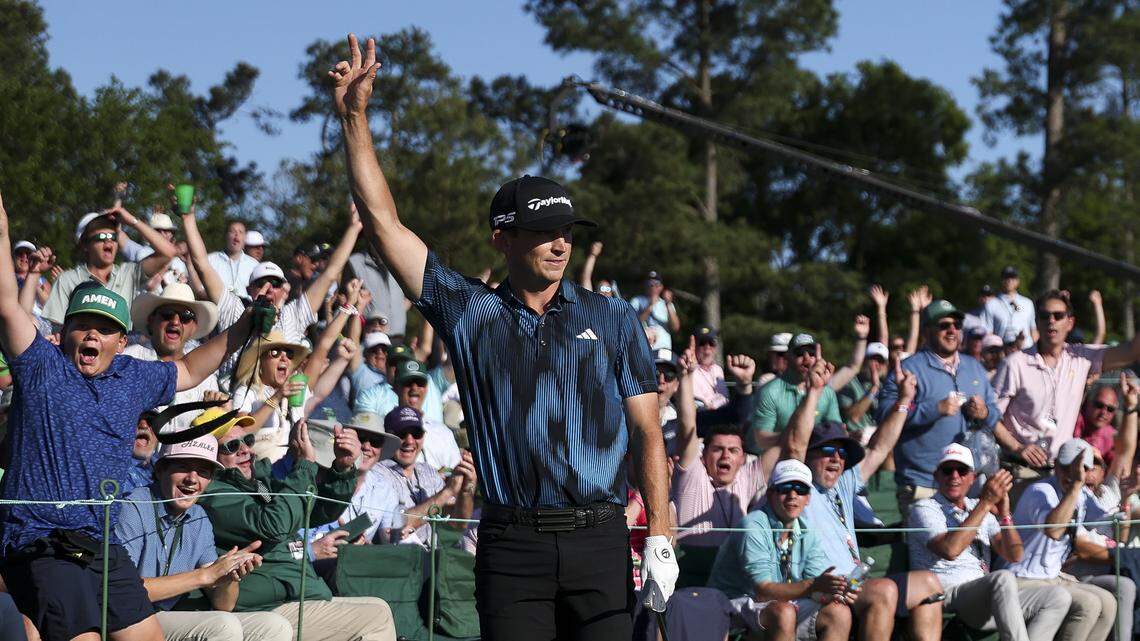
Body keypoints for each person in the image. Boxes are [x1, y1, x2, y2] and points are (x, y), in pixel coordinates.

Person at [332, 33, 675, 640]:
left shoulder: (616, 318)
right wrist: (355, 119)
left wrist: (662, 536)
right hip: (512, 543)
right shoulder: (470, 311)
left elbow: (648, 432)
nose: (560, 243)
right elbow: (384, 224)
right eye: (544, 231)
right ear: (503, 239)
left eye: (567, 231)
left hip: (600, 536)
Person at [0, 189, 260, 641]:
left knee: (147, 637)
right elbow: (6, 303)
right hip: (39, 538)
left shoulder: (132, 375)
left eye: (105, 329)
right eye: (83, 325)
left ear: (122, 341)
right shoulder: (41, 364)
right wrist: (3, 225)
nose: (92, 335)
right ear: (64, 331)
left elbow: (191, 369)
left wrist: (242, 329)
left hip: (98, 542)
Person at [782, 354, 943, 641]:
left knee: (929, 583)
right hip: (820, 588)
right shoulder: (799, 486)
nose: (836, 459)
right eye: (827, 451)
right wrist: (815, 392)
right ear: (809, 457)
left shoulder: (843, 482)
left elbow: (880, 448)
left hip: (855, 583)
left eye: (842, 453)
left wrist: (904, 401)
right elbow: (795, 446)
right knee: (885, 590)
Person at [202, 418, 397, 640]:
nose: (244, 450)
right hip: (265, 608)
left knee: (379, 606)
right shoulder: (215, 494)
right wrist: (304, 466)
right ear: (210, 457)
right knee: (376, 617)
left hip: (295, 594)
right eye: (231, 446)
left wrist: (342, 469)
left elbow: (316, 512)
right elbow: (275, 525)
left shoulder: (258, 483)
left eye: (247, 440)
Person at [115, 427, 294, 641]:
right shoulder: (133, 506)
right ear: (161, 470)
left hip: (165, 616)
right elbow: (122, 591)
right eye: (183, 467)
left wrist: (228, 576)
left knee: (274, 626)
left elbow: (224, 604)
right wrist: (205, 576)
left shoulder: (198, 517)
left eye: (203, 471)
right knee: (222, 626)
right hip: (130, 619)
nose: (193, 478)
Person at [907, 444, 1070, 641]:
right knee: (1002, 578)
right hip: (948, 594)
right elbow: (950, 550)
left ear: (972, 478)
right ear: (937, 476)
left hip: (985, 595)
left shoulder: (977, 507)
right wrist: (985, 503)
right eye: (947, 470)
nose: (954, 476)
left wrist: (1005, 515)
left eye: (962, 470)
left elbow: (1015, 555)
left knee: (1058, 597)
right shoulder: (925, 508)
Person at [992, 289, 1140, 493]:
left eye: (1058, 315)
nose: (1051, 321)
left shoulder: (1081, 358)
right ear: (1036, 322)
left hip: (1060, 474)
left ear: (1070, 323)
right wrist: (1018, 447)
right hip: (1019, 471)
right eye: (1044, 316)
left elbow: (1132, 351)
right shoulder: (1015, 363)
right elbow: (991, 417)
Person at [708, 459, 853, 641]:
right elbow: (763, 591)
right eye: (785, 488)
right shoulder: (752, 525)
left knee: (839, 613)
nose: (793, 495)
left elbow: (815, 585)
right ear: (770, 494)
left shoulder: (808, 531)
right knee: (784, 612)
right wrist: (814, 585)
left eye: (801, 490)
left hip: (777, 605)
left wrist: (835, 591)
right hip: (729, 605)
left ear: (808, 498)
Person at [878, 299, 999, 515]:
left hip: (968, 485)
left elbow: (995, 413)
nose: (952, 330)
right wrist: (934, 409)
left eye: (957, 325)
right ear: (927, 331)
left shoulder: (974, 367)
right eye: (944, 325)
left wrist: (985, 412)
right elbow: (885, 417)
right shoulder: (908, 369)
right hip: (922, 484)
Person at [1007, 439, 1118, 641]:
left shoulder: (1081, 493)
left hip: (1051, 576)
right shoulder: (1040, 491)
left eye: (1080, 469)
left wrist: (1125, 499)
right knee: (1089, 604)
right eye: (1066, 467)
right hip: (1023, 577)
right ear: (1056, 465)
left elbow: (1106, 524)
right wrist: (1076, 486)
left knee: (1108, 603)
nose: (1071, 474)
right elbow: (1054, 530)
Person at [672, 348, 764, 547]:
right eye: (717, 449)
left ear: (743, 458)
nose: (725, 455)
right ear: (703, 456)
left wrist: (745, 384)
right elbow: (687, 426)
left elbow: (792, 446)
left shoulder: (747, 477)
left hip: (733, 563)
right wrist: (686, 377)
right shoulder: (693, 472)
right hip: (691, 562)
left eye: (733, 450)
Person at [42, 205, 177, 326]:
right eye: (101, 237)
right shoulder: (67, 280)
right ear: (85, 245)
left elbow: (169, 252)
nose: (109, 242)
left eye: (113, 237)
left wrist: (132, 221)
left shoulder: (128, 274)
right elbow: (57, 329)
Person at [123, 282, 221, 430]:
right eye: (167, 314)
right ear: (151, 320)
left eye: (185, 316)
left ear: (194, 327)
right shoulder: (127, 360)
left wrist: (217, 411)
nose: (175, 322)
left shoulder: (206, 378)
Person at [371, 407, 476, 543]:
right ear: (388, 438)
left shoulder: (429, 471)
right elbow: (394, 526)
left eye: (416, 434)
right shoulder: (376, 474)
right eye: (402, 434)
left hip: (432, 553)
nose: (410, 441)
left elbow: (457, 524)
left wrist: (466, 490)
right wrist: (448, 491)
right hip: (396, 553)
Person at [750, 334, 843, 455]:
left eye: (812, 353)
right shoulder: (769, 392)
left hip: (813, 456)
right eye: (799, 353)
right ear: (787, 357)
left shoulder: (827, 393)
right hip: (775, 457)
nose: (807, 359)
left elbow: (836, 430)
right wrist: (799, 437)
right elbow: (761, 440)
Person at [837, 342, 887, 445]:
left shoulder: (886, 387)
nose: (877, 364)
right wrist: (874, 388)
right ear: (864, 360)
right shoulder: (849, 382)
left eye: (881, 361)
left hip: (877, 441)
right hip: (854, 441)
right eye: (873, 359)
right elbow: (853, 417)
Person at [981, 266, 1037, 350]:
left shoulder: (1028, 303)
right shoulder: (991, 304)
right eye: (1006, 277)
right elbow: (988, 332)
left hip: (1026, 349)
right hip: (1002, 350)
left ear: (1018, 281)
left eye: (1013, 277)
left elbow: (1033, 330)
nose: (1009, 280)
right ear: (1001, 280)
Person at [630, 270, 680, 350]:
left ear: (661, 287)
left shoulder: (667, 304)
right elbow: (632, 323)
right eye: (650, 284)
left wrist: (668, 304)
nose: (652, 287)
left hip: (663, 347)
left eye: (656, 284)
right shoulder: (637, 301)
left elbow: (675, 327)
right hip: (643, 348)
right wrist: (651, 305)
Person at [207, 221, 258, 298]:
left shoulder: (254, 265)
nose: (236, 235)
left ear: (245, 238)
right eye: (232, 231)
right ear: (226, 236)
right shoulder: (210, 260)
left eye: (240, 232)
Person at [691, 325, 728, 409]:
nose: (707, 348)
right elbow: (699, 403)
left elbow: (724, 397)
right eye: (702, 343)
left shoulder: (718, 369)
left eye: (711, 343)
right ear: (694, 347)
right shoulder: (690, 371)